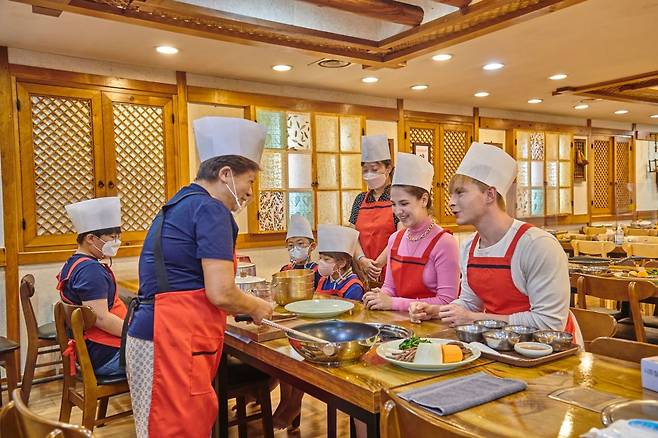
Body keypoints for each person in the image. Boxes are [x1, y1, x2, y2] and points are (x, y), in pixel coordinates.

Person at [124, 117, 273, 438]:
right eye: (248, 182)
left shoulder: (181, 202)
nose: (248, 193)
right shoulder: (211, 210)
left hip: (153, 333)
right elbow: (220, 291)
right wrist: (257, 306)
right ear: (226, 174)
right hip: (172, 339)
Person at [409, 143, 582, 345]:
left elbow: (549, 324)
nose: (451, 202)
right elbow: (469, 304)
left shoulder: (537, 245)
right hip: (500, 345)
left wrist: (475, 319)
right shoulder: (469, 247)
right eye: (451, 195)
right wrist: (438, 312)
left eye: (460, 192)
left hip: (553, 352)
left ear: (490, 195)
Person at [362, 153, 460, 312]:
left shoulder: (445, 242)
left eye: (404, 203)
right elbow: (389, 288)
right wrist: (379, 296)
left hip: (433, 328)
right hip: (399, 324)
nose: (398, 211)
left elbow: (447, 301)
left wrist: (393, 303)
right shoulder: (395, 239)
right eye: (393, 204)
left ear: (424, 199)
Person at [57, 197, 126, 376]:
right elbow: (101, 319)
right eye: (112, 237)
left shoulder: (75, 262)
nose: (116, 242)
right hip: (106, 354)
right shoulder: (90, 271)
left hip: (93, 349)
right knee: (164, 355)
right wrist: (134, 334)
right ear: (90, 238)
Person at [350, 135, 398, 283]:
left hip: (390, 267)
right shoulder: (360, 199)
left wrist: (377, 265)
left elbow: (401, 235)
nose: (369, 174)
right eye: (365, 170)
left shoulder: (397, 198)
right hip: (362, 269)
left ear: (388, 168)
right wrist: (362, 260)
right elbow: (352, 235)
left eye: (374, 169)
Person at [316, 224, 366, 301]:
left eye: (326, 259)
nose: (321, 262)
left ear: (342, 263)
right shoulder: (323, 281)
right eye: (320, 258)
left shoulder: (354, 287)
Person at [280, 214, 320, 289]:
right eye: (291, 245)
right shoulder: (285, 270)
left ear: (312, 246)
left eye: (300, 243)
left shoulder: (318, 272)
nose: (295, 248)